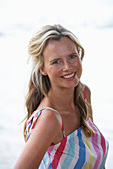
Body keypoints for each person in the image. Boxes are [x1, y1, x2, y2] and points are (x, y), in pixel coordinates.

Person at [14, 24, 109, 169]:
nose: (68, 67)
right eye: (56, 61)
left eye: (72, 56)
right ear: (43, 69)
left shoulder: (84, 95)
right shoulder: (49, 119)